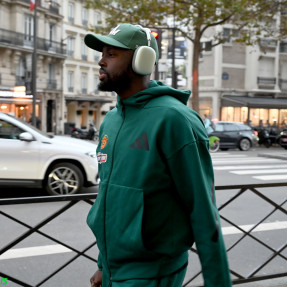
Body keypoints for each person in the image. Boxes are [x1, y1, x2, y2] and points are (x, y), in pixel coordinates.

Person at [84, 23, 231, 287]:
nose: (101, 61)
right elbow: (110, 198)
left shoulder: (175, 120)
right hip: (114, 271)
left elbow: (203, 212)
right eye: (102, 53)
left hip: (152, 274)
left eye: (112, 54)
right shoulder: (111, 120)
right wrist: (103, 265)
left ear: (143, 60)